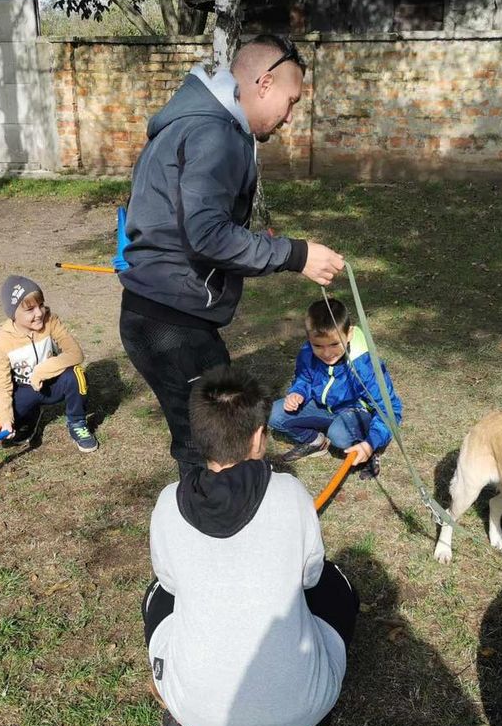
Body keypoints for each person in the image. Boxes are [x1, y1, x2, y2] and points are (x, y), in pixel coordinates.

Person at [118, 34, 346, 475]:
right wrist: (297, 255)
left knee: (225, 429)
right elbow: (206, 235)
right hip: (169, 323)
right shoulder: (214, 133)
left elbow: (187, 221)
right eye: (291, 100)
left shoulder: (193, 124)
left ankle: (223, 511)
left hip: (169, 314)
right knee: (210, 445)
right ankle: (213, 528)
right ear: (264, 83)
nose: (290, 117)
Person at [143, 366, 359, 726]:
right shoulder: (290, 493)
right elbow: (311, 577)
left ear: (198, 437)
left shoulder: (169, 502)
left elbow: (169, 583)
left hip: (195, 708)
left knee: (157, 595)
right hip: (305, 707)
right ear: (260, 436)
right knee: (337, 585)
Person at [268, 297, 403, 479]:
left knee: (339, 435)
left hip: (355, 412)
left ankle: (368, 451)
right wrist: (298, 392)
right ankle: (315, 442)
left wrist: (371, 442)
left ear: (349, 335)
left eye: (334, 344)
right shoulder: (308, 352)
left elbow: (390, 410)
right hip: (322, 407)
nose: (327, 353)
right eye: (318, 346)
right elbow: (304, 378)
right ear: (309, 338)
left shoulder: (364, 365)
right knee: (274, 414)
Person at [0, 275, 98, 452]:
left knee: (76, 374)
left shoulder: (51, 321)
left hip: (53, 385)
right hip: (26, 390)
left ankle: (77, 421)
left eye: (40, 305)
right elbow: (1, 384)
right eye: (30, 309)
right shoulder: (2, 340)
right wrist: (5, 419)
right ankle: (29, 416)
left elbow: (75, 353)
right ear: (13, 314)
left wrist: (43, 370)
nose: (39, 312)